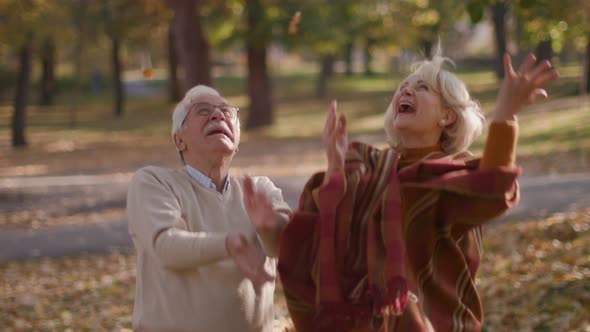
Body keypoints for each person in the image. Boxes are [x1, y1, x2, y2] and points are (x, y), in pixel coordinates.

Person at [247, 51, 559, 331]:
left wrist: (505, 115)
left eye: (422, 87)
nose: (405, 90)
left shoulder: (453, 175)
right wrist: (277, 224)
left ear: (447, 116)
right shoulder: (364, 170)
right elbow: (312, 245)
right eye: (403, 87)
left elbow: (492, 189)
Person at [126, 85, 291, 332]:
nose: (218, 115)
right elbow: (165, 245)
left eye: (227, 112)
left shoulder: (260, 190)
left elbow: (291, 248)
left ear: (236, 141)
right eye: (203, 111)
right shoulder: (154, 182)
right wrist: (229, 244)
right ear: (179, 140)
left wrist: (271, 229)